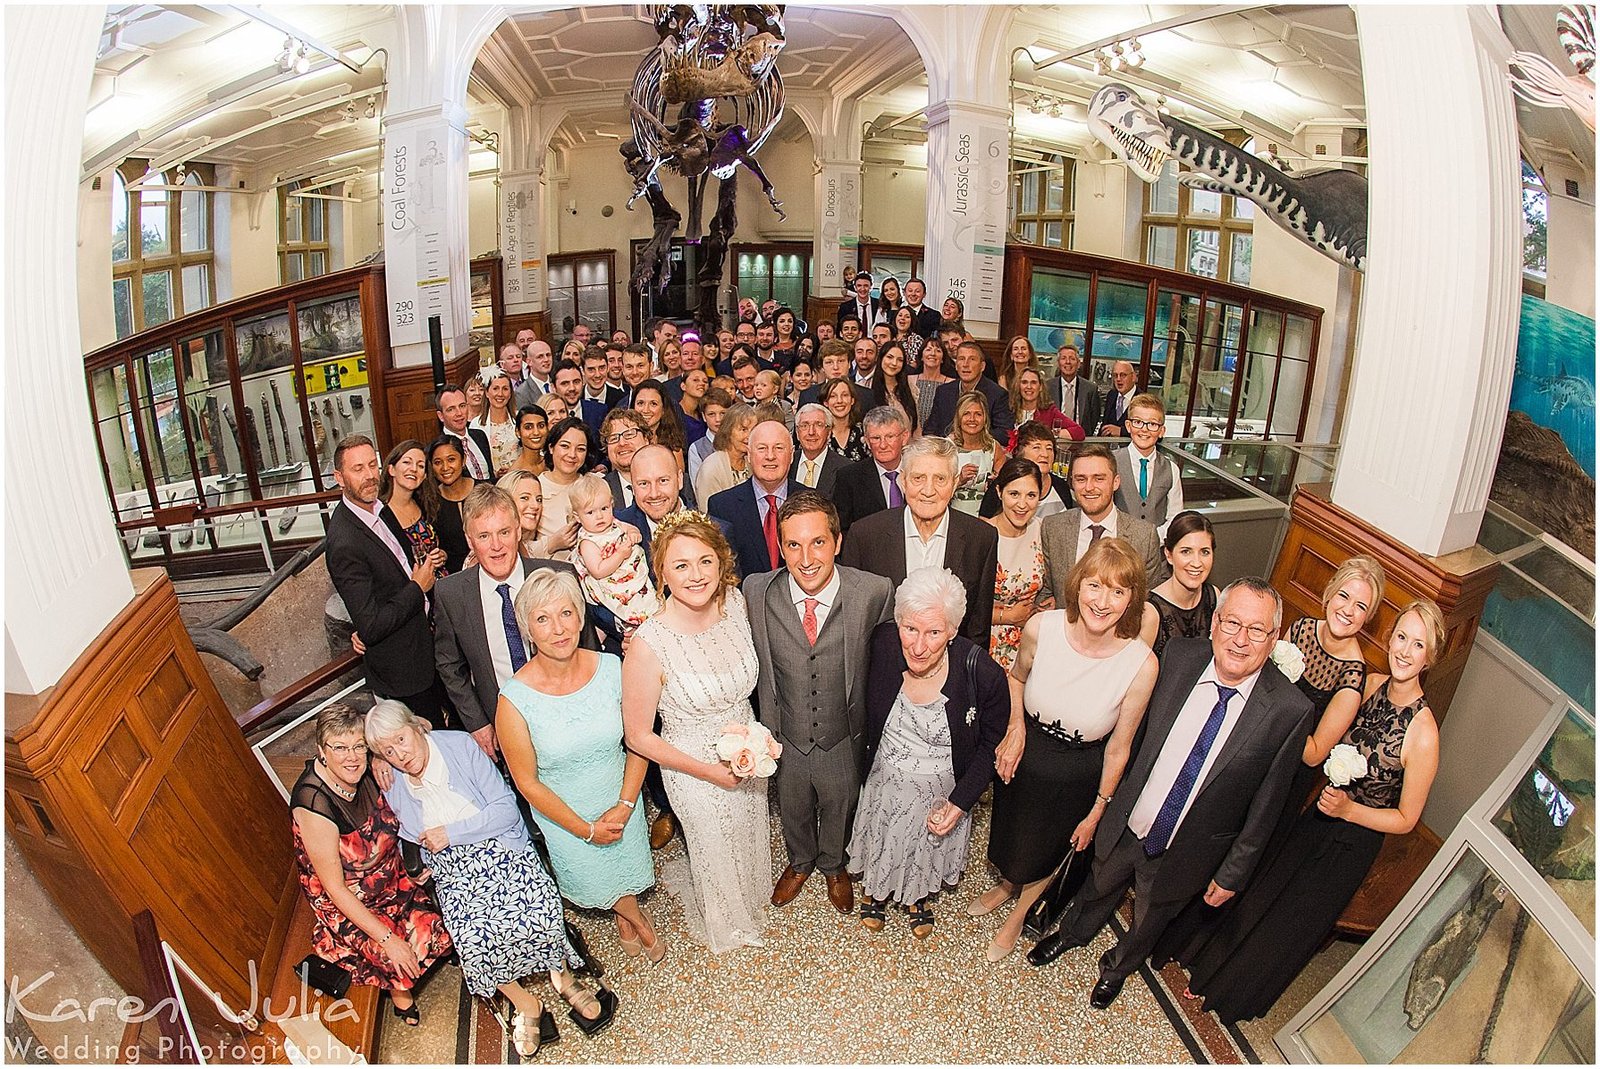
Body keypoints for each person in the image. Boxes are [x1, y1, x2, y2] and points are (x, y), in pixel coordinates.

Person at [1026, 578, 1315, 1013]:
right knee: (1098, 883)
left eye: (1256, 630)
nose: (1240, 639)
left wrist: (1232, 874)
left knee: (1150, 918)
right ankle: (1070, 934)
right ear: (1215, 623)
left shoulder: (1290, 711)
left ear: (1274, 638)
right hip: (1131, 818)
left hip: (1189, 849)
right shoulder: (1179, 658)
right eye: (1232, 622)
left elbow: (1266, 807)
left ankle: (1116, 970)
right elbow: (1134, 735)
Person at [1169, 600, 1443, 1024]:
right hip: (1317, 816)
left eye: (1418, 644)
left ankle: (1230, 996)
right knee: (1263, 897)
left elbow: (1406, 819)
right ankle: (1206, 969)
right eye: (1402, 638)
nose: (1405, 651)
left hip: (1351, 842)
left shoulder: (1424, 733)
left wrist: (1351, 810)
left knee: (1288, 922)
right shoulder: (1369, 685)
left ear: (1431, 656)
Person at [370, 703, 607, 1056]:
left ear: (417, 727)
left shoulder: (459, 746)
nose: (399, 755)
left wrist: (452, 833)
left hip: (500, 844)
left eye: (401, 740)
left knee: (537, 912)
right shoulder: (393, 780)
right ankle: (527, 1004)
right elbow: (408, 831)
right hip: (453, 867)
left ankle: (564, 978)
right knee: (474, 940)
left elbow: (506, 809)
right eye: (388, 751)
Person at [977, 539, 1159, 962]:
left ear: (1132, 600)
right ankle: (1006, 885)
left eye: (1118, 592)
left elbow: (1120, 747)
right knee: (1011, 833)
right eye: (1095, 585)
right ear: (1078, 584)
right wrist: (1016, 727)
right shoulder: (1044, 627)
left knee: (1048, 850)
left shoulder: (1141, 664)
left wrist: (1098, 809)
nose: (1103, 601)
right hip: (1027, 753)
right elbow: (1016, 678)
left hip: (1078, 772)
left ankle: (1018, 917)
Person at [621, 513, 771, 952]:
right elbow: (638, 737)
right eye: (681, 565)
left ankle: (748, 899)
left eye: (705, 561)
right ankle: (727, 922)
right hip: (690, 765)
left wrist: (754, 744)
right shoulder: (650, 644)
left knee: (746, 828)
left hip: (746, 748)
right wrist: (708, 772)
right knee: (714, 842)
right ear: (661, 572)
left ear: (721, 563)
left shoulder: (736, 604)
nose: (696, 575)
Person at [498, 568, 663, 963]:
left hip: (621, 798)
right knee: (596, 877)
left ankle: (624, 916)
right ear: (527, 630)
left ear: (580, 616)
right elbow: (526, 781)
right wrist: (584, 829)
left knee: (626, 867)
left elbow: (637, 741)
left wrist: (625, 804)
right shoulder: (513, 700)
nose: (558, 628)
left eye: (566, 613)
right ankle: (637, 920)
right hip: (565, 819)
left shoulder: (610, 669)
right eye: (542, 618)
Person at [745, 492, 894, 914]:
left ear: (837, 542)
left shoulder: (874, 592)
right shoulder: (756, 591)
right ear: (780, 546)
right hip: (786, 735)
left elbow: (891, 660)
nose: (806, 557)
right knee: (791, 804)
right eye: (793, 544)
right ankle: (799, 862)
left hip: (842, 733)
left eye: (817, 543)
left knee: (840, 801)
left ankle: (834, 864)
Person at [849, 567, 1010, 939]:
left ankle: (918, 896)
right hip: (885, 780)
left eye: (934, 632)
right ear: (898, 622)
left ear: (953, 630)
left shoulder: (982, 673)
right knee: (884, 837)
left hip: (941, 790)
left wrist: (959, 803)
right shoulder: (882, 645)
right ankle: (875, 890)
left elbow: (990, 745)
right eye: (910, 629)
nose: (918, 647)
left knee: (925, 847)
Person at [290, 704, 451, 1026]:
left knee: (443, 926)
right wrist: (388, 941)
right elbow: (334, 888)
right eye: (339, 748)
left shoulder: (369, 766)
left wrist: (379, 753)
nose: (351, 758)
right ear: (322, 751)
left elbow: (424, 723)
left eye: (358, 747)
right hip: (348, 896)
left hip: (392, 874)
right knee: (400, 954)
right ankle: (399, 994)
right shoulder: (313, 803)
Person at [432, 484, 591, 756]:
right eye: (484, 535)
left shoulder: (558, 575)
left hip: (570, 719)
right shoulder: (451, 594)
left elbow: (586, 650)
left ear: (518, 530)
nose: (496, 546)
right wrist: (479, 723)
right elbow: (449, 665)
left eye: (504, 532)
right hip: (503, 729)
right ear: (469, 541)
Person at [327, 436, 448, 725]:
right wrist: (418, 588)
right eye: (358, 469)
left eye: (372, 465)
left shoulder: (381, 509)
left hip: (428, 644)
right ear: (339, 478)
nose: (369, 475)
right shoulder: (344, 541)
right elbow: (370, 626)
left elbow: (400, 569)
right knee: (429, 744)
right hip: (405, 670)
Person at [838, 435, 999, 645]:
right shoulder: (865, 535)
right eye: (918, 478)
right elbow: (853, 623)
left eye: (940, 479)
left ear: (954, 483)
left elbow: (978, 629)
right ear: (903, 481)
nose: (929, 490)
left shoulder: (981, 538)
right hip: (882, 670)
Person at [1040, 443, 1164, 596]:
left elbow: (1147, 600)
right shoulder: (1052, 528)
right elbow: (1044, 589)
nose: (1089, 487)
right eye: (1081, 479)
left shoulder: (1144, 537)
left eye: (1099, 479)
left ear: (1116, 482)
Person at [982, 457, 1054, 671]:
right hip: (988, 645)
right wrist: (1010, 616)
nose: (1022, 504)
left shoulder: (1042, 531)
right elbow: (963, 605)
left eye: (1031, 495)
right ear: (999, 492)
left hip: (1032, 648)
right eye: (1014, 494)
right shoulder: (980, 534)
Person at [704, 416, 797, 577]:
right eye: (762, 448)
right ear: (748, 455)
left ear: (792, 454)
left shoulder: (813, 502)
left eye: (779, 448)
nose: (770, 456)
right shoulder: (722, 507)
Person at [569, 473, 661, 631]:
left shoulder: (614, 522)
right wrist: (619, 555)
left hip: (631, 572)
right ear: (577, 517)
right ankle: (636, 624)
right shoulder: (588, 543)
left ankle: (653, 617)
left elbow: (631, 529)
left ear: (612, 504)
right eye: (590, 512)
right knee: (632, 608)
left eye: (604, 508)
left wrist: (633, 534)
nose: (599, 516)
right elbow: (598, 571)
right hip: (609, 583)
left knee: (651, 601)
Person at [1139, 512, 1219, 659]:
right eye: (1186, 552)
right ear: (1169, 555)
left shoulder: (1214, 596)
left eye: (1204, 552)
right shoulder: (1151, 613)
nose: (1196, 563)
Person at [1113, 393, 1184, 537]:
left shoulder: (1171, 469)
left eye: (1152, 424)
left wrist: (1153, 539)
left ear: (1161, 431)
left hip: (1156, 550)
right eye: (1138, 422)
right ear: (1128, 426)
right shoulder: (1111, 462)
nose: (1144, 429)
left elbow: (1175, 516)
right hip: (1118, 547)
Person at [833, 406, 911, 532]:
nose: (883, 445)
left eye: (890, 437)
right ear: (868, 442)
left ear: (904, 437)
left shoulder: (919, 472)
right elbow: (842, 530)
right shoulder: (849, 477)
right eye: (876, 438)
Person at [380, 439, 449, 580]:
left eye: (420, 465)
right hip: (412, 592)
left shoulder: (427, 504)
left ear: (424, 476)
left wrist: (443, 555)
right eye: (407, 462)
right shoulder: (380, 515)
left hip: (443, 585)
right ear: (391, 469)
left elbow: (442, 544)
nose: (414, 469)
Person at [979, 422, 1073, 520]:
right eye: (1037, 447)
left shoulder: (1061, 486)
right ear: (1020, 453)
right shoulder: (1002, 485)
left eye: (1049, 448)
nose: (1045, 454)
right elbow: (985, 527)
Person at [926, 340, 1015, 437]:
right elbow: (930, 429)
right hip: (945, 449)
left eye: (972, 359)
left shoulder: (998, 395)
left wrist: (969, 437)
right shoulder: (943, 391)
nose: (965, 364)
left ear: (982, 366)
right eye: (961, 359)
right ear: (956, 365)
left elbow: (1005, 434)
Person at [537, 418, 592, 561]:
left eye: (580, 449)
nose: (572, 455)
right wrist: (551, 544)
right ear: (551, 447)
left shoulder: (594, 485)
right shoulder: (534, 488)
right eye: (565, 446)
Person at [496, 469, 576, 559]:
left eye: (539, 500)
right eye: (525, 498)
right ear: (504, 501)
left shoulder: (522, 546)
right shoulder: (494, 546)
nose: (536, 506)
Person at [426, 436, 477, 575]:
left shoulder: (485, 490)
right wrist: (443, 555)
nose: (445, 467)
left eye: (451, 459)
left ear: (463, 460)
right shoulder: (430, 502)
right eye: (438, 462)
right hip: (454, 579)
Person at [952, 391, 1008, 515]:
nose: (972, 419)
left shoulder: (994, 447)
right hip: (953, 515)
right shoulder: (947, 448)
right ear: (959, 418)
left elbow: (1006, 487)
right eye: (967, 414)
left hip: (986, 516)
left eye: (978, 414)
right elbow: (936, 489)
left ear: (985, 419)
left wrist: (997, 482)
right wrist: (959, 480)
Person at [693, 401, 756, 506]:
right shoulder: (711, 468)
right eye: (743, 429)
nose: (749, 435)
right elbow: (709, 513)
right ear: (728, 430)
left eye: (753, 430)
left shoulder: (753, 462)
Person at [435, 386, 495, 483]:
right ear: (441, 416)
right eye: (451, 409)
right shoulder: (439, 449)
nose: (459, 413)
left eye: (462, 406)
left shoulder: (479, 435)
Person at [1009, 368, 1084, 444]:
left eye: (1033, 382)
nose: (1029, 386)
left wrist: (1049, 434)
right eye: (1024, 382)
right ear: (1018, 386)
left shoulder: (1050, 411)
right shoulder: (1009, 409)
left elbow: (1079, 432)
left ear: (1040, 387)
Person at [471, 367, 520, 476]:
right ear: (487, 393)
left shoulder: (519, 418)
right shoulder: (476, 425)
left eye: (505, 389)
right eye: (495, 388)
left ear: (511, 393)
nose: (500, 394)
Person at [790, 402, 843, 496]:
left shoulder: (845, 469)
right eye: (804, 425)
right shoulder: (786, 463)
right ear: (797, 433)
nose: (811, 432)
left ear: (829, 432)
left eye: (818, 425)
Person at [1049, 344, 1101, 432]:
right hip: (1054, 438)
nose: (1068, 362)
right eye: (1063, 358)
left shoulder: (1090, 389)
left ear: (1078, 364)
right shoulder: (1047, 387)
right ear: (1058, 363)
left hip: (1081, 440)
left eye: (1072, 359)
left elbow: (1094, 418)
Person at [687, 387, 732, 488]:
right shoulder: (697, 449)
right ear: (703, 416)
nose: (718, 419)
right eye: (711, 414)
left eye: (723, 413)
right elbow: (697, 486)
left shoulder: (739, 442)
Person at [871, 340, 919, 434]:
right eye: (890, 357)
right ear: (880, 358)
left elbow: (917, 427)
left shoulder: (910, 389)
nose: (894, 363)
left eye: (900, 360)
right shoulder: (867, 388)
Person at [909, 336, 953, 430]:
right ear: (921, 356)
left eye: (938, 351)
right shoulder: (909, 380)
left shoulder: (951, 384)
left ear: (942, 359)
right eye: (928, 349)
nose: (933, 354)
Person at [820, 378, 867, 464]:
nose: (839, 401)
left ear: (852, 400)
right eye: (833, 396)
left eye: (845, 395)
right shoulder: (819, 433)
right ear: (826, 402)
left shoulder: (864, 432)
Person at [1097, 360, 1139, 437]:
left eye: (1123, 375)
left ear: (1133, 377)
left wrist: (1122, 431)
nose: (1118, 379)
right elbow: (1104, 426)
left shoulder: (1144, 400)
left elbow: (1151, 432)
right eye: (1115, 375)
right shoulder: (1112, 395)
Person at [509, 405, 549, 476]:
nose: (536, 432)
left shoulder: (553, 463)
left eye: (541, 426)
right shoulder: (515, 475)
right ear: (518, 432)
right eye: (528, 427)